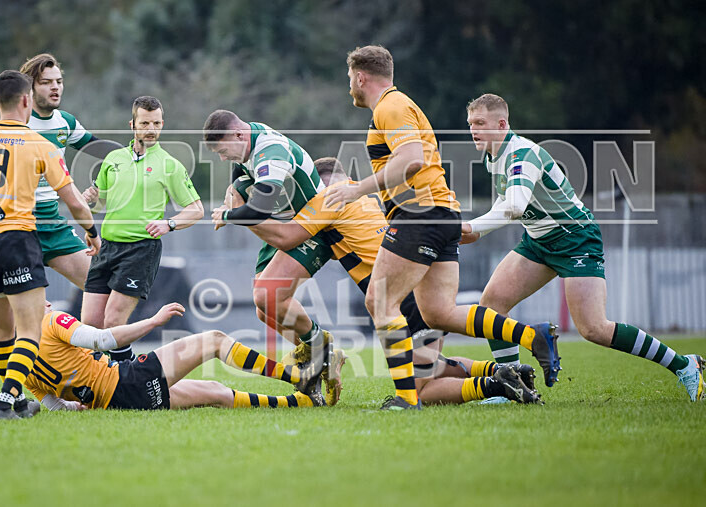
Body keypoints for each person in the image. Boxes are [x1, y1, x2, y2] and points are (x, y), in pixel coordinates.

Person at [323, 45, 560, 410]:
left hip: (419, 214)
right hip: (440, 213)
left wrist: (358, 189)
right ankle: (533, 336)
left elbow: (411, 160)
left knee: (379, 300)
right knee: (438, 313)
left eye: (349, 79)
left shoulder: (390, 106)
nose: (349, 86)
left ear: (360, 77)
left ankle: (406, 400)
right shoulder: (397, 105)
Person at [461, 93, 704, 401]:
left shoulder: (521, 155)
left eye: (480, 123)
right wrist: (477, 229)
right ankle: (514, 388)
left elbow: (515, 206)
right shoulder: (493, 156)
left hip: (575, 238)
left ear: (502, 124)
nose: (473, 130)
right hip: (538, 240)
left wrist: (474, 228)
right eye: (470, 124)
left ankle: (684, 365)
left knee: (594, 329)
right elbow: (506, 199)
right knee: (492, 304)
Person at [247, 157, 540, 405]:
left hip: (404, 300)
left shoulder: (329, 201)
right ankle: (506, 370)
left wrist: (245, 213)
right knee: (431, 366)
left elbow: (288, 237)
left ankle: (499, 383)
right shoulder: (366, 199)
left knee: (421, 390)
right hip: (419, 282)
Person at [0, 53, 114, 404]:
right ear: (28, 91)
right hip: (17, 227)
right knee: (3, 317)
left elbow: (105, 152)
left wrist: (106, 177)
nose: (55, 88)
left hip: (53, 226)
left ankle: (100, 366)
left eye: (59, 81)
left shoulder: (65, 122)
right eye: (46, 82)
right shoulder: (14, 127)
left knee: (99, 285)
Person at [204, 110, 340, 400]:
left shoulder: (271, 151)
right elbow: (239, 182)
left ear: (238, 135)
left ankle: (323, 348)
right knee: (264, 310)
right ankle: (317, 361)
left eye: (223, 151)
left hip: (312, 226)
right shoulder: (247, 143)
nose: (223, 158)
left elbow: (259, 209)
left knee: (268, 295)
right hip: (286, 222)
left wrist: (228, 214)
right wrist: (232, 197)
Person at [24, 301, 328, 411]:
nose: (47, 302)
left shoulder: (19, 362)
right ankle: (299, 376)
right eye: (39, 297)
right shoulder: (49, 321)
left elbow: (56, 406)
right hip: (126, 381)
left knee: (216, 392)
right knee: (215, 340)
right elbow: (102, 339)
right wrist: (153, 321)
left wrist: (82, 406)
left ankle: (303, 402)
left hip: (122, 403)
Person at [81, 96, 203, 363]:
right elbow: (103, 203)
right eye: (145, 123)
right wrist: (92, 199)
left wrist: (169, 223)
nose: (151, 129)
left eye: (156, 123)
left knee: (113, 320)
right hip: (107, 248)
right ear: (132, 124)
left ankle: (126, 378)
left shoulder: (169, 165)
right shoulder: (113, 159)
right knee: (89, 325)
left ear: (162, 124)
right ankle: (97, 380)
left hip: (140, 250)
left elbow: (196, 210)